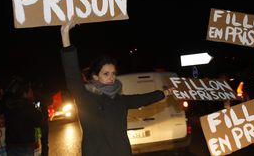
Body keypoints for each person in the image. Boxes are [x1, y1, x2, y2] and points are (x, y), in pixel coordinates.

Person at [60, 18, 173, 156]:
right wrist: (65, 35)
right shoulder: (86, 97)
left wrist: (165, 93)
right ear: (96, 76)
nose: (111, 77)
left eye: (113, 73)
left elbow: (143, 99)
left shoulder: (120, 100)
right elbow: (72, 75)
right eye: (106, 73)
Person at [4, 77, 44, 156]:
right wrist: (38, 110)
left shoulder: (9, 106)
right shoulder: (27, 106)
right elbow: (39, 122)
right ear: (24, 93)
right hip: (25, 146)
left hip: (11, 146)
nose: (32, 93)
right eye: (30, 91)